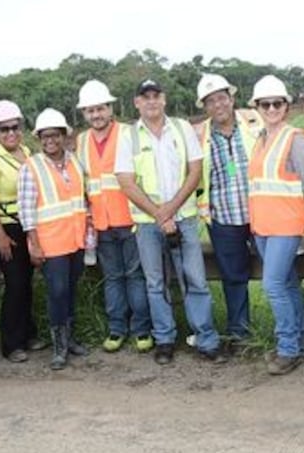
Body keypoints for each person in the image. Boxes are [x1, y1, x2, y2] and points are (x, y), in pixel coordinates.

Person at [115, 79, 224, 366]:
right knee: (155, 283)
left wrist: (170, 210)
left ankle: (206, 339)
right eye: (145, 97)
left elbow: (195, 170)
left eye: (156, 96)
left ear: (164, 99)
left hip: (184, 219)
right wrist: (159, 214)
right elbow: (126, 182)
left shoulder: (182, 128)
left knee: (195, 280)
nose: (151, 101)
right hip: (148, 224)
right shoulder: (129, 136)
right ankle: (164, 339)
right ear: (137, 103)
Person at [246, 75, 304, 375]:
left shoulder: (295, 139)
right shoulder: (260, 139)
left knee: (273, 285)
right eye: (266, 104)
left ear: (286, 106)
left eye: (278, 103)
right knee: (287, 284)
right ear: (258, 108)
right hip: (263, 225)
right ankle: (298, 341)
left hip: (286, 225)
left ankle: (287, 347)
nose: (272, 108)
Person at [76, 80, 153, 354]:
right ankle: (117, 328)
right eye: (90, 111)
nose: (95, 115)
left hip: (130, 218)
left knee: (135, 276)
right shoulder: (82, 141)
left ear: (110, 108)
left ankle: (141, 330)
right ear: (84, 114)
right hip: (101, 223)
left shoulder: (128, 134)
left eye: (100, 109)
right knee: (113, 277)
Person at [18, 109, 90, 370]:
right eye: (45, 136)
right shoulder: (31, 166)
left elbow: (83, 200)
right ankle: (59, 345)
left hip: (76, 240)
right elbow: (26, 210)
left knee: (70, 290)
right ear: (39, 138)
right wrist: (34, 244)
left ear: (64, 136)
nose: (50, 141)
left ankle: (70, 338)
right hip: (50, 244)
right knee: (57, 292)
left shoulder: (75, 162)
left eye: (55, 135)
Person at [0, 100, 46, 363]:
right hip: (6, 227)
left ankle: (28, 333)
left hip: (28, 222)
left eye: (15, 128)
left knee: (27, 283)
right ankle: (11, 343)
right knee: (15, 284)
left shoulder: (27, 152)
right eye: (4, 129)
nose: (11, 134)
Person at [193, 73, 254, 345]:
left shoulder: (255, 123)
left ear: (231, 98)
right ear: (204, 107)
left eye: (221, 98)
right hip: (223, 217)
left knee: (279, 277)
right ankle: (240, 333)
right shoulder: (198, 135)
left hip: (261, 213)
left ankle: (285, 334)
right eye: (210, 101)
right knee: (233, 277)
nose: (217, 105)